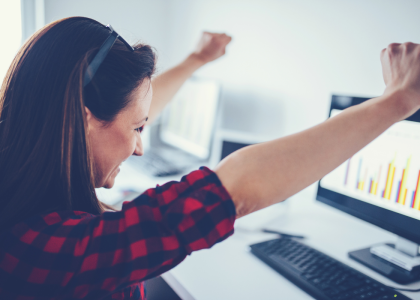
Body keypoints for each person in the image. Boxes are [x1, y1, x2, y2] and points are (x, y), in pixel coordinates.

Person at [0, 16, 419, 300]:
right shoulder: (41, 246)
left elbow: (118, 115)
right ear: (82, 118)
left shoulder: (19, 185)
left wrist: (198, 59)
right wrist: (398, 99)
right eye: (138, 130)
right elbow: (232, 190)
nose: (140, 146)